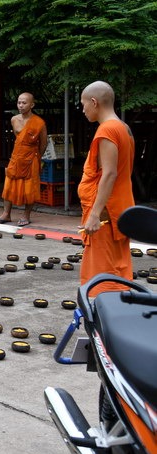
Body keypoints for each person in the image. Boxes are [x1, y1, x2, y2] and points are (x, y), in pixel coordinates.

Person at [78, 81, 135, 296]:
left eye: (83, 104)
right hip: (119, 206)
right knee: (117, 268)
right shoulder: (124, 128)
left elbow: (110, 174)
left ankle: (107, 313)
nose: (83, 110)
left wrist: (95, 214)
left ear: (94, 102)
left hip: (106, 212)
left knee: (103, 275)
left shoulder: (107, 130)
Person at [0, 92, 48, 226]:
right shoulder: (14, 119)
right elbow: (19, 138)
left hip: (31, 157)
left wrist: (37, 157)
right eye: (19, 102)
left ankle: (26, 215)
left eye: (24, 103)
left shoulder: (39, 122)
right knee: (9, 184)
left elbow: (43, 144)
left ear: (32, 105)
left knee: (30, 187)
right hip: (16, 156)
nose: (21, 105)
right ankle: (6, 214)